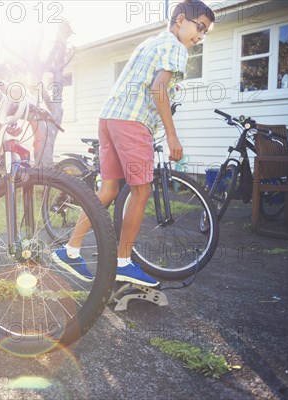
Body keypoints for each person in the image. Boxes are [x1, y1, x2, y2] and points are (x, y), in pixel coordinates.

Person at [52, 0, 215, 287]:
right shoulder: (175, 48)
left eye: (205, 32)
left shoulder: (149, 43)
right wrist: (173, 135)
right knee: (141, 191)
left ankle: (71, 250)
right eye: (199, 27)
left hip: (110, 117)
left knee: (108, 190)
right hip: (132, 122)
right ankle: (123, 263)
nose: (200, 35)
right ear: (180, 20)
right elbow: (158, 89)